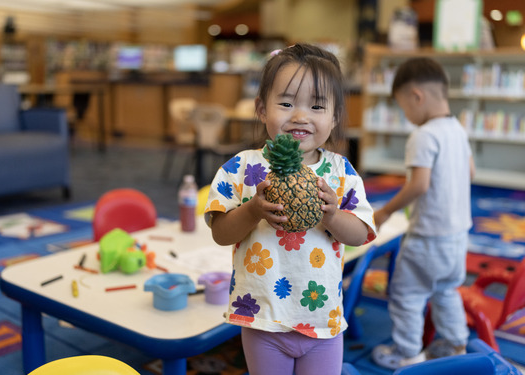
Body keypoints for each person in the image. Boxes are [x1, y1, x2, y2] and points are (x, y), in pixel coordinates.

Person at [203, 44, 376, 375]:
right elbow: (221, 233)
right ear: (261, 109)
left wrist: (333, 215)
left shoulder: (341, 172)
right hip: (263, 319)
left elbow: (361, 233)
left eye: (317, 105)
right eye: (285, 103)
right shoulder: (242, 168)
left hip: (322, 320)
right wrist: (253, 210)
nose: (300, 116)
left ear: (335, 115)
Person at [371, 57, 475, 370]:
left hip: (427, 238)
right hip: (458, 235)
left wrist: (386, 211)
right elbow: (469, 172)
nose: (407, 116)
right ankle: (457, 345)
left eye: (404, 108)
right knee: (446, 289)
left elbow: (419, 184)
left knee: (407, 295)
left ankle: (407, 354)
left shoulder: (424, 135)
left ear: (417, 97)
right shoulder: (457, 128)